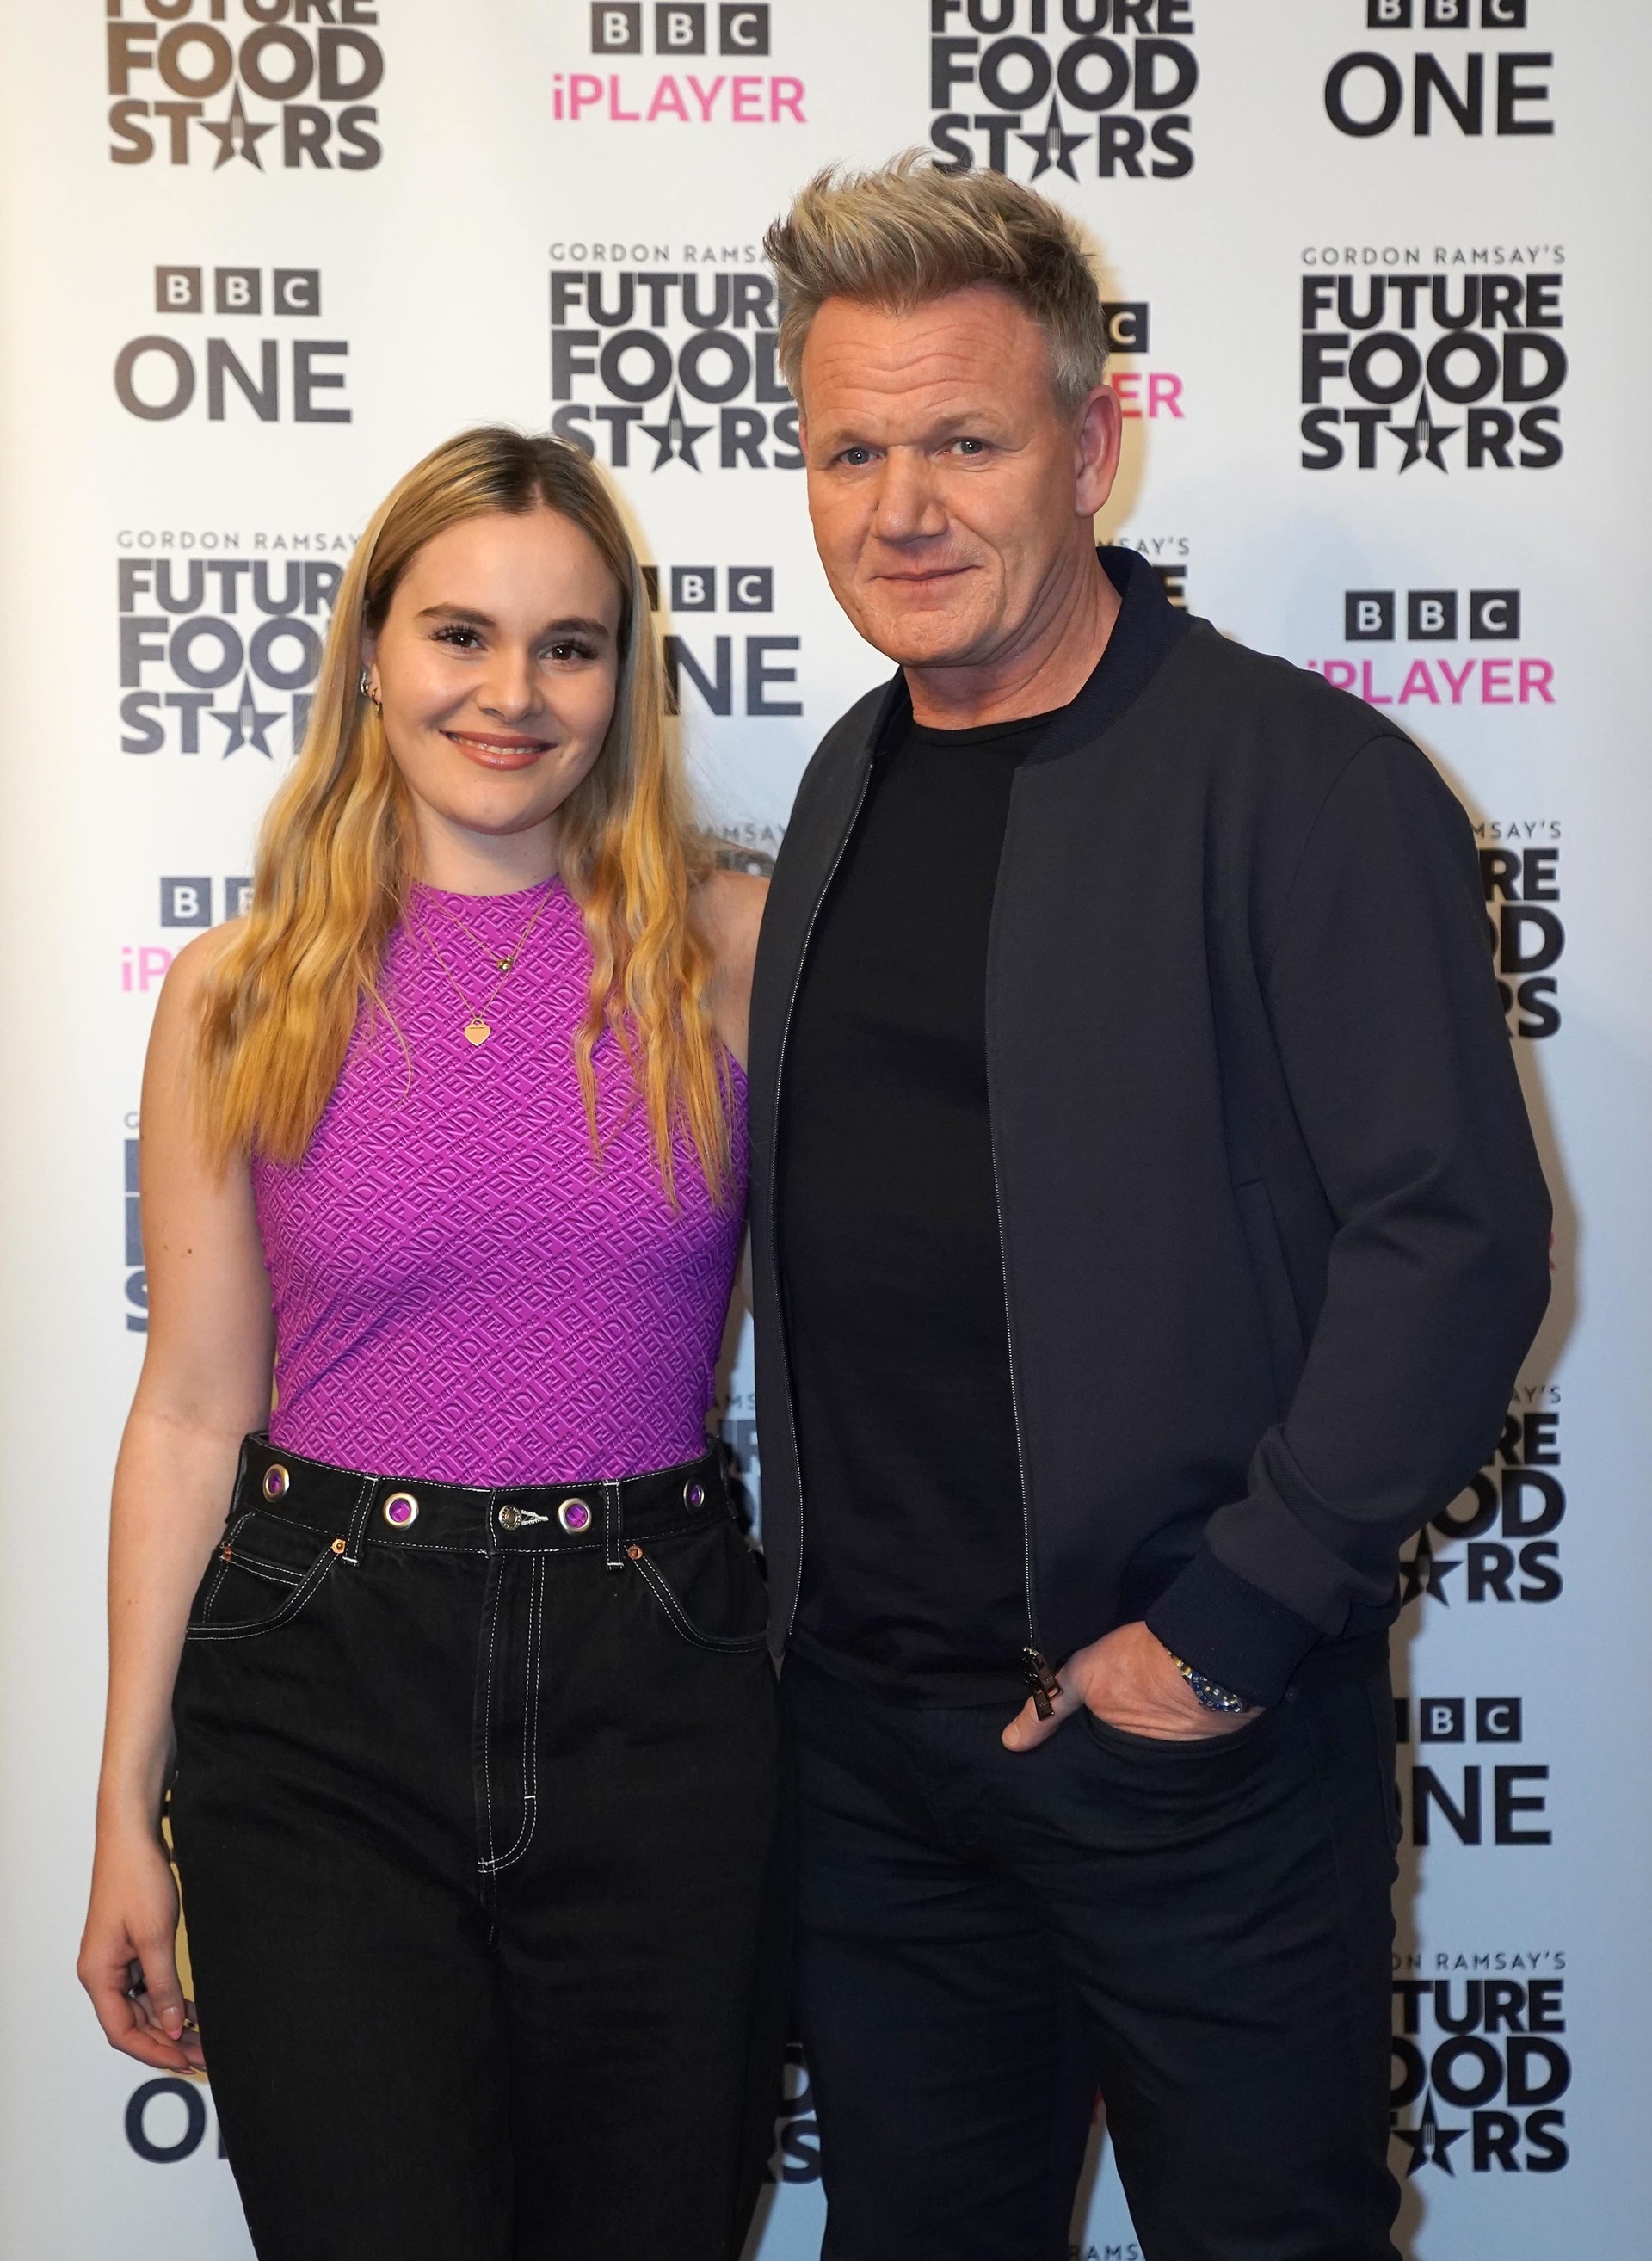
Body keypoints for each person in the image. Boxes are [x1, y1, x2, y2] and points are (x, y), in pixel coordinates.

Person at [746, 157, 1552, 2261]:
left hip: (1193, 1750)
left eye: (964, 441)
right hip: (878, 1760)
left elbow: (1454, 1239)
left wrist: (1226, 1627)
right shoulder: (845, 777)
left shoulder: (1307, 782)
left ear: (1095, 443)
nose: (899, 506)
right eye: (849, 449)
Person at [78, 428, 782, 2261]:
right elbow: (193, 1411)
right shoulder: (241, 993)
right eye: (459, 635)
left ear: (626, 675)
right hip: (320, 1697)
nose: (511, 693)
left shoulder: (732, 951)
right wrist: (121, 1813)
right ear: (371, 653)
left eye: (568, 644)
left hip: (666, 1678)